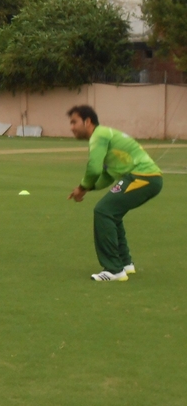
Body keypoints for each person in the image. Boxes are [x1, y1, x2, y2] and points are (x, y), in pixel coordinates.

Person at [67, 105, 163, 281]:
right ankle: (125, 263)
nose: (71, 127)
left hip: (143, 177)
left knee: (103, 211)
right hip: (147, 178)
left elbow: (94, 168)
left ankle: (113, 269)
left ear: (87, 122)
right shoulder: (105, 134)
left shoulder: (99, 135)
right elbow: (107, 175)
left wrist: (81, 188)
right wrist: (87, 188)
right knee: (113, 214)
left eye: (74, 122)